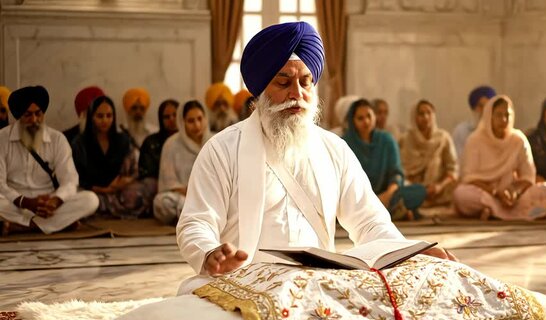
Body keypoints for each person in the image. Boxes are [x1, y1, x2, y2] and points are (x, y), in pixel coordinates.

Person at [176, 22, 453, 294]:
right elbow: (196, 222)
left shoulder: (334, 149)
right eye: (283, 82)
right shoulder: (222, 150)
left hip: (316, 289)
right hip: (243, 283)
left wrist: (411, 252)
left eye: (305, 82)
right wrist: (210, 253)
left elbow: (369, 221)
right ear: (261, 90)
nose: (296, 94)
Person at [0, 86, 99, 235]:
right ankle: (53, 225)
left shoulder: (57, 139)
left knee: (91, 200)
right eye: (28, 115)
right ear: (18, 116)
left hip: (48, 206)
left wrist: (55, 201)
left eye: (38, 114)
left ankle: (23, 227)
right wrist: (24, 201)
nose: (34, 120)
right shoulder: (2, 139)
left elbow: (70, 181)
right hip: (15, 204)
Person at [453, 95, 546, 220]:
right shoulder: (475, 140)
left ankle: (492, 211)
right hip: (486, 192)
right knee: (461, 195)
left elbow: (528, 176)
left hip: (513, 195)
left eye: (507, 115)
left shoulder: (518, 139)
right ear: (489, 116)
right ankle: (512, 210)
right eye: (498, 115)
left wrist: (514, 192)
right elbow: (469, 177)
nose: (503, 119)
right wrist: (496, 192)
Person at [72, 96, 155, 219]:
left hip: (119, 191)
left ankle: (102, 211)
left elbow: (134, 170)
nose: (105, 120)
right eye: (100, 116)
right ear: (91, 117)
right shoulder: (80, 143)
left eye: (109, 116)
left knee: (145, 188)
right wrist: (103, 189)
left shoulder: (122, 139)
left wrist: (124, 182)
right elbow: (77, 176)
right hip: (93, 191)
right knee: (84, 198)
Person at [343, 98, 427, 219]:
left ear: (374, 117)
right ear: (353, 121)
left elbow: (396, 174)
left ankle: (375, 213)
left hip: (386, 196)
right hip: (357, 199)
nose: (366, 121)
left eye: (369, 116)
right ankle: (391, 212)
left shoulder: (387, 140)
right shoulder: (344, 143)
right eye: (360, 118)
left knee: (419, 191)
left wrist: (387, 195)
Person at [153, 100, 211, 224]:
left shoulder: (216, 141)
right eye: (191, 121)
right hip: (185, 198)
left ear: (206, 118)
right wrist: (194, 194)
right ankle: (201, 218)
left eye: (200, 119)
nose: (197, 125)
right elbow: (169, 182)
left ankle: (194, 218)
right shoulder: (171, 144)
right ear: (182, 122)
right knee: (162, 202)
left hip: (212, 196)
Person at [400, 100, 458, 207]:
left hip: (438, 188)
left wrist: (439, 186)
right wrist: (418, 189)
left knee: (459, 189)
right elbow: (401, 170)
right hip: (413, 187)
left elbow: (452, 169)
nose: (426, 117)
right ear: (414, 117)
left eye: (429, 113)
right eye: (421, 114)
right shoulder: (406, 139)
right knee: (398, 186)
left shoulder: (443, 137)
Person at [452, 85, 497, 162]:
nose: (484, 110)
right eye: (480, 106)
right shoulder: (461, 131)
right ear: (473, 109)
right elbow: (458, 161)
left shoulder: (501, 131)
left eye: (488, 105)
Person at [138, 99, 180, 181]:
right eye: (166, 117)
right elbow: (146, 173)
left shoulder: (191, 140)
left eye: (175, 115)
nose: (171, 119)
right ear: (161, 120)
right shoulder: (150, 142)